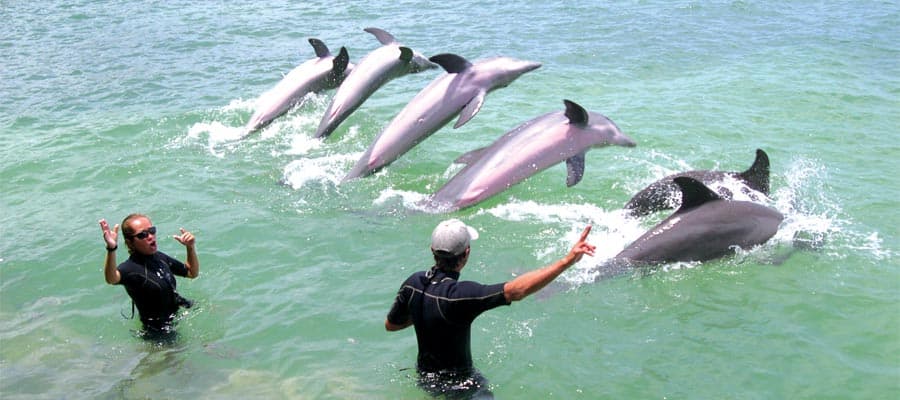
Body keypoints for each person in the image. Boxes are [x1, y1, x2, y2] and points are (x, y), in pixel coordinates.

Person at [385, 219, 595, 399]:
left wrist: (428, 314)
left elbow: (391, 325)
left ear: (433, 251)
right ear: (466, 253)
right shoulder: (460, 296)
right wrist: (567, 261)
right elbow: (516, 291)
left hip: (425, 379)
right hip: (462, 386)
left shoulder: (414, 283)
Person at [99, 213, 199, 336]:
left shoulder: (159, 257)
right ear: (130, 243)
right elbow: (111, 279)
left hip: (180, 310)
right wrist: (111, 248)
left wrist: (190, 247)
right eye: (143, 235)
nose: (150, 236)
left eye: (152, 230)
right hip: (159, 332)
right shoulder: (130, 268)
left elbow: (191, 272)